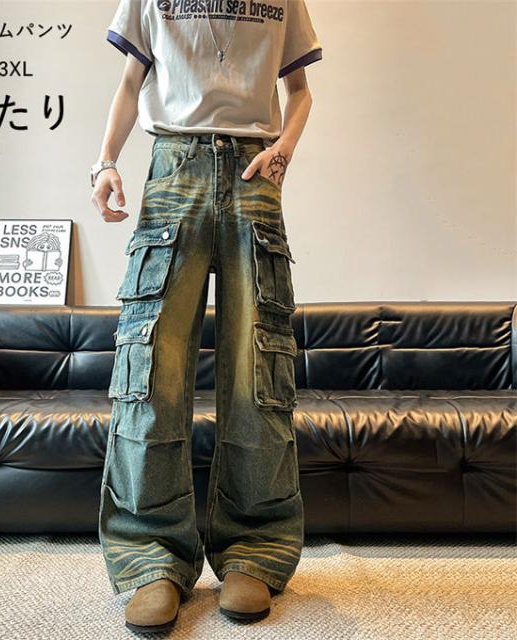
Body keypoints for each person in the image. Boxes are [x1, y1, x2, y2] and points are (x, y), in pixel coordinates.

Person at [90, 0, 322, 632]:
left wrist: (284, 149)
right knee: (151, 368)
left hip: (254, 172)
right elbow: (131, 81)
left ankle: (255, 549)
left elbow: (300, 91)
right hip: (174, 169)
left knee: (258, 364)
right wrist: (106, 161)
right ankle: (149, 557)